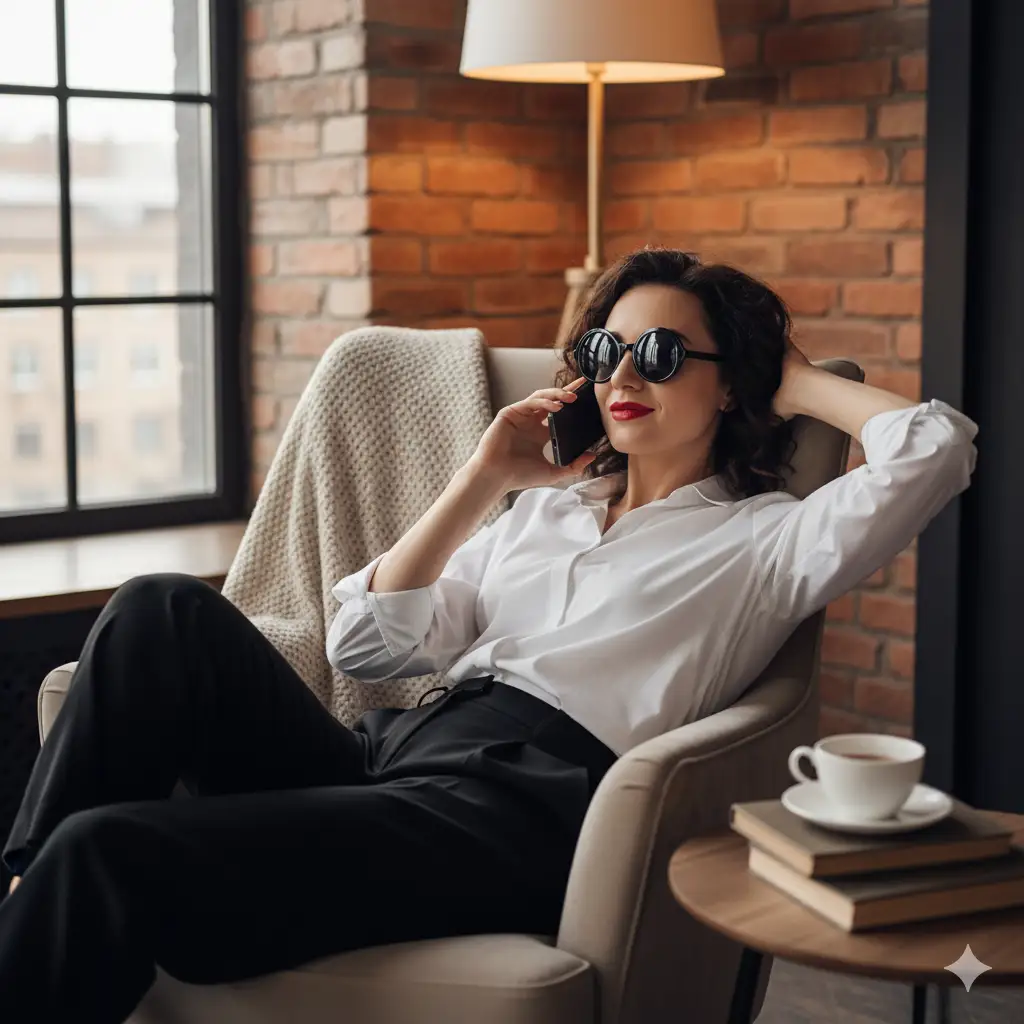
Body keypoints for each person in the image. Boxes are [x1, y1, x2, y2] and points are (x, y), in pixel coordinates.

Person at [0, 248, 978, 1023]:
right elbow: (368, 652)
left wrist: (799, 381)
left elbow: (935, 449)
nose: (623, 374)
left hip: (518, 813)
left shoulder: (765, 540)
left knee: (108, 850)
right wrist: (482, 479)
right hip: (393, 765)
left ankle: (56, 909)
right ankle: (25, 891)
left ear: (730, 388)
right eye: (604, 351)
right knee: (159, 606)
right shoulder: (538, 513)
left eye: (664, 355)